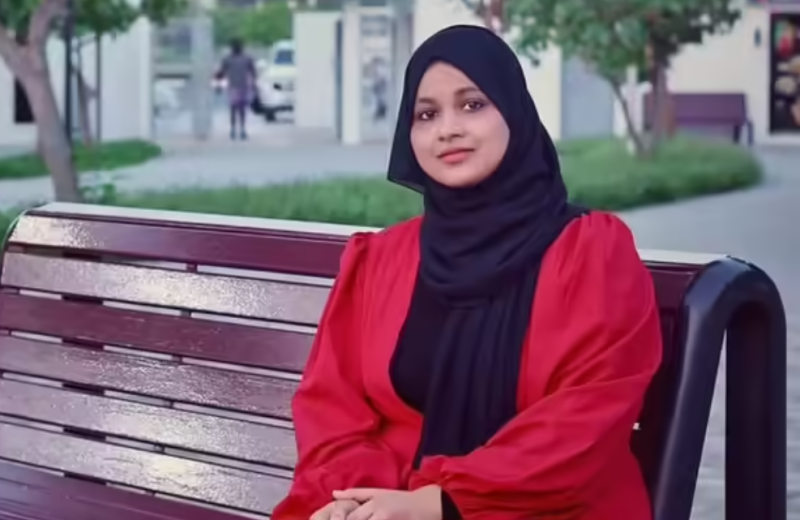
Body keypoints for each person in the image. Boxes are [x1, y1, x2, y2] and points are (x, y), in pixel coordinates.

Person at [272, 25, 662, 520]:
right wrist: (356, 500)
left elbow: (586, 419)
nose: (448, 129)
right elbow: (333, 409)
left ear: (514, 112)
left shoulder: (591, 252)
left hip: (547, 507)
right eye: (426, 114)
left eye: (473, 104)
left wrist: (440, 503)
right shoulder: (381, 261)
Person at [216, 38, 256, 140]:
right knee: (239, 109)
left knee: (235, 109)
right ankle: (239, 129)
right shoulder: (244, 58)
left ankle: (237, 129)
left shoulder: (231, 59)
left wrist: (218, 84)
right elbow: (253, 73)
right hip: (239, 86)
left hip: (237, 87)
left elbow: (221, 73)